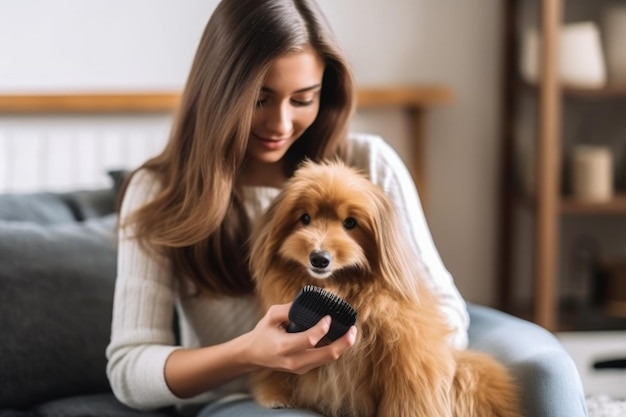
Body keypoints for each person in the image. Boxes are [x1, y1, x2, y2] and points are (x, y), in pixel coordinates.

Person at [105, 0, 469, 415]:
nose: (280, 124)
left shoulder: (369, 165)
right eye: (260, 100)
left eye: (302, 99)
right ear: (219, 92)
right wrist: (249, 353)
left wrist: (374, 369)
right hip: (245, 400)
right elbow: (129, 371)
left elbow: (447, 312)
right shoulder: (158, 190)